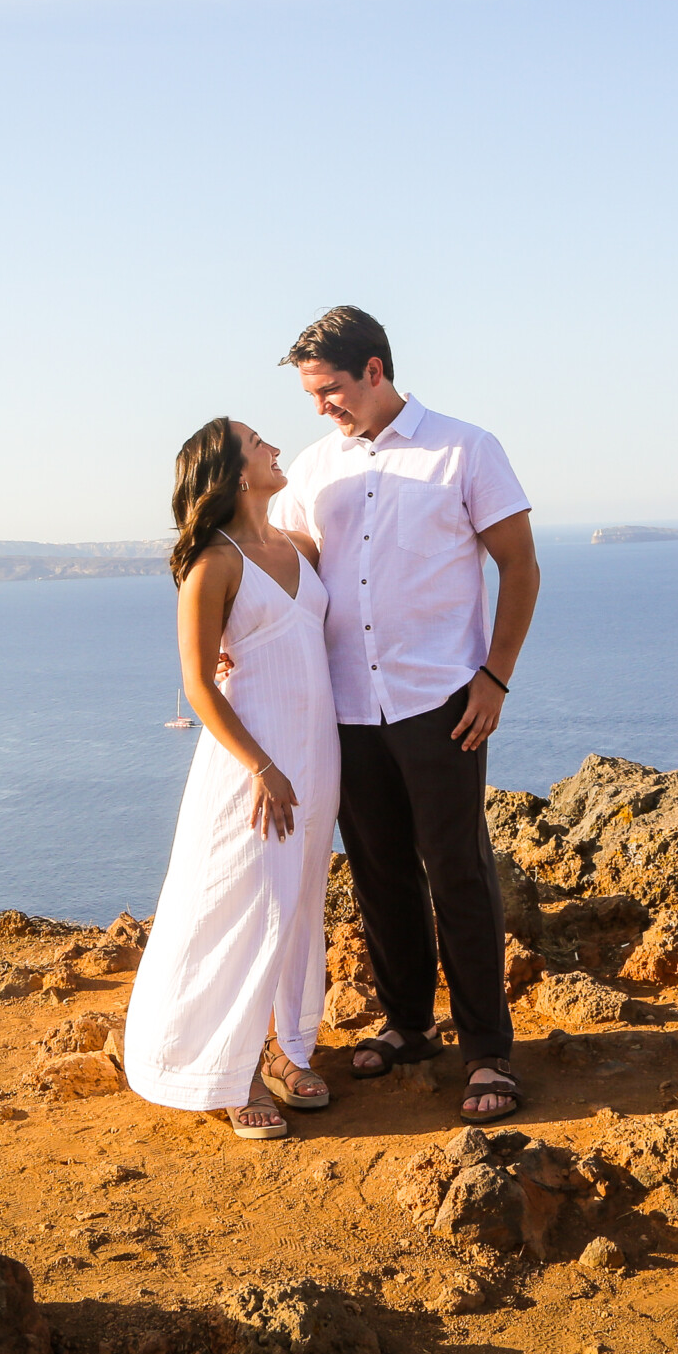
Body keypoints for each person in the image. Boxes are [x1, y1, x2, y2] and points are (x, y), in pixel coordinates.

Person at [271, 307, 541, 1123]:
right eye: (311, 394)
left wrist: (495, 677)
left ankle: (488, 1051)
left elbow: (521, 567)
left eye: (330, 390)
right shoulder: (315, 470)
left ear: (376, 370)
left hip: (442, 701)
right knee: (380, 870)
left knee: (458, 871)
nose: (321, 407)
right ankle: (410, 1024)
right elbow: (286, 581)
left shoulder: (465, 448)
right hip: (346, 706)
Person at [122, 417, 341, 1141]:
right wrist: (263, 765)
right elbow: (198, 685)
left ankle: (285, 1048)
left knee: (298, 900)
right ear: (236, 472)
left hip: (318, 754)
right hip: (252, 765)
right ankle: (225, 1067)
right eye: (258, 441)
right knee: (236, 904)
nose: (275, 445)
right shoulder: (213, 563)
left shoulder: (301, 548)